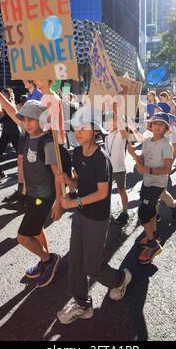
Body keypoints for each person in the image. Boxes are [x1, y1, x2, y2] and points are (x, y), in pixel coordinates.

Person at [57, 107, 132, 324]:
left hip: (97, 220)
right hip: (81, 216)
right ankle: (82, 304)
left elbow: (101, 193)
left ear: (95, 131)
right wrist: (67, 181)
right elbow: (81, 184)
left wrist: (74, 202)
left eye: (83, 128)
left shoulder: (102, 158)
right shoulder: (77, 152)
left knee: (92, 266)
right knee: (75, 262)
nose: (78, 132)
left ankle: (120, 279)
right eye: (76, 128)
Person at [0, 77, 62, 287]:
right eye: (25, 119)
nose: (27, 122)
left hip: (43, 197)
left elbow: (58, 174)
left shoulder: (47, 141)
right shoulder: (30, 132)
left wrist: (59, 201)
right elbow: (11, 110)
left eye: (32, 119)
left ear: (41, 120)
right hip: (32, 194)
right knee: (37, 229)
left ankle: (50, 259)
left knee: (23, 237)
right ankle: (45, 259)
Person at [128, 112, 173, 265]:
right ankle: (153, 234)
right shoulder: (147, 142)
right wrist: (134, 155)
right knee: (151, 210)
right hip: (147, 182)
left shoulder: (166, 145)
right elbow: (142, 160)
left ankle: (153, 245)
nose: (157, 126)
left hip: (158, 183)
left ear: (166, 128)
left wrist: (147, 170)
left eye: (161, 124)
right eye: (155, 123)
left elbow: (167, 169)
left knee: (143, 212)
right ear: (151, 126)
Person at [105, 104, 129, 225]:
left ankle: (125, 212)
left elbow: (125, 133)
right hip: (108, 168)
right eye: (109, 120)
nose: (110, 122)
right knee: (106, 191)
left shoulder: (121, 134)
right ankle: (106, 213)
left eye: (113, 120)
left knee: (121, 190)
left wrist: (116, 112)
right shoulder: (107, 135)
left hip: (119, 168)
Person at [0, 88, 20, 160]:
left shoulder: (9, 102)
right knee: (3, 141)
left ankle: (21, 155)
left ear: (6, 95)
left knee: (16, 142)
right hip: (8, 126)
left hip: (11, 126)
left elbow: (8, 115)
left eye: (3, 94)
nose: (2, 95)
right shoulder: (8, 102)